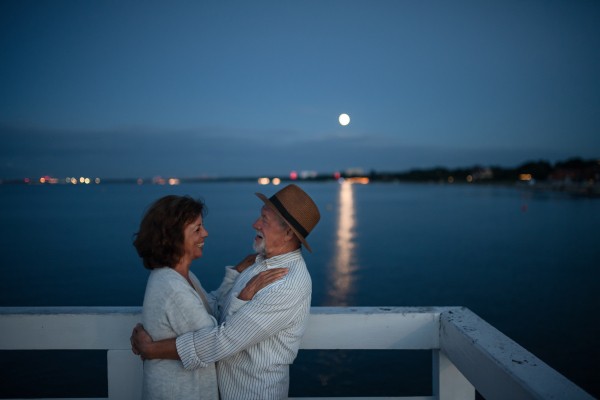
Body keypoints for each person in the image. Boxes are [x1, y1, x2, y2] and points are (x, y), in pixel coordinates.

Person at [132, 184, 321, 400]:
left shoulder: (287, 284)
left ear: (288, 232)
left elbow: (225, 340)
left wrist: (152, 349)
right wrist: (236, 279)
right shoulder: (258, 264)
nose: (255, 224)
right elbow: (214, 311)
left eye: (264, 220)